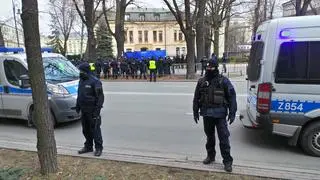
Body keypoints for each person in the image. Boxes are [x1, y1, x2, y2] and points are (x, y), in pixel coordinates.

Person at [192, 58, 237, 172]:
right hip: (207, 114)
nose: (209, 69)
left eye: (211, 67)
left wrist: (232, 113)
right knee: (209, 137)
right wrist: (195, 111)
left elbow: (232, 97)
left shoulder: (223, 81)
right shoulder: (202, 81)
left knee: (224, 138)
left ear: (216, 68)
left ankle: (227, 161)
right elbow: (196, 97)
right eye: (207, 67)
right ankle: (210, 156)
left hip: (220, 114)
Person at [76, 62, 105, 157]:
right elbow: (79, 93)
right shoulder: (81, 80)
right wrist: (78, 106)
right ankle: (88, 146)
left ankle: (99, 148)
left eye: (81, 71)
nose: (80, 72)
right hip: (84, 110)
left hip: (92, 110)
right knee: (86, 130)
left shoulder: (95, 81)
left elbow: (100, 97)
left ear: (86, 71)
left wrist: (97, 111)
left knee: (95, 130)